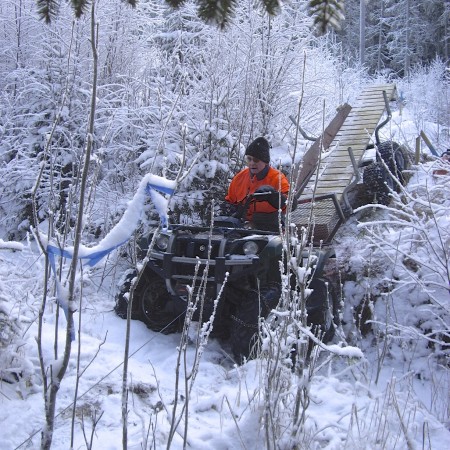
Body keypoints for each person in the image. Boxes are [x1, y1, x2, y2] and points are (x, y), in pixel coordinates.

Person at [225, 137, 293, 231]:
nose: (252, 163)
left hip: (270, 228)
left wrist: (272, 196)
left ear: (265, 162)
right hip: (242, 227)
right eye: (249, 159)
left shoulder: (277, 178)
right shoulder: (239, 177)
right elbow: (230, 200)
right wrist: (231, 210)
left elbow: (291, 203)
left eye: (256, 160)